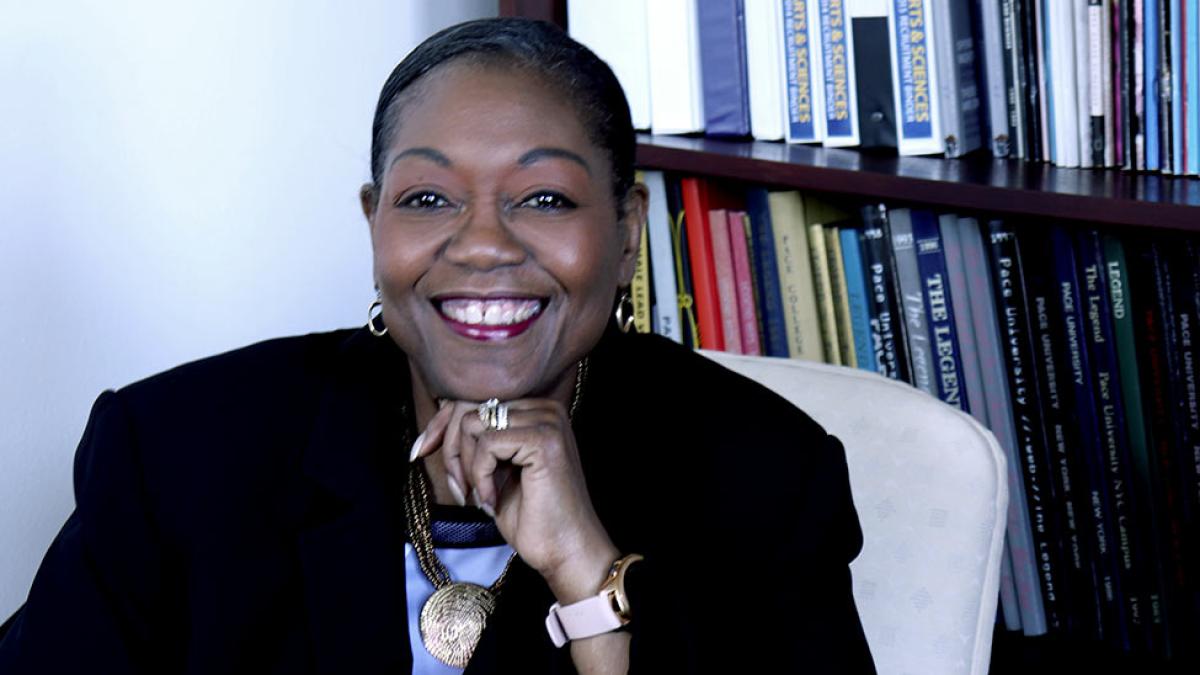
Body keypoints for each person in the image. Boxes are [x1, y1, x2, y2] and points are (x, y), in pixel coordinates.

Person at [0, 18, 875, 674]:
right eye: (426, 200)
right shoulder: (176, 449)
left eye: (544, 198)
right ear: (372, 222)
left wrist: (588, 578)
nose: (483, 244)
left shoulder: (764, 474)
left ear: (629, 231)